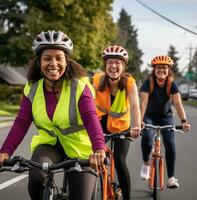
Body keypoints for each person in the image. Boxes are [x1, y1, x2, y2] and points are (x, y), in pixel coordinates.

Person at [0, 30, 106, 200]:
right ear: (39, 62)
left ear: (67, 61)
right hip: (49, 145)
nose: (53, 63)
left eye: (59, 58)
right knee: (36, 179)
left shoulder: (79, 87)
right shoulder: (32, 88)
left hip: (80, 147)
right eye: (47, 58)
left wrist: (99, 149)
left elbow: (91, 118)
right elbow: (21, 122)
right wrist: (5, 152)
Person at [92, 45, 141, 200]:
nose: (113, 66)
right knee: (94, 158)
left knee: (119, 161)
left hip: (122, 127)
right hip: (100, 125)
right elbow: (88, 104)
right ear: (105, 65)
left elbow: (135, 106)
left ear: (123, 66)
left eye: (118, 62)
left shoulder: (129, 83)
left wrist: (137, 125)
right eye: (110, 62)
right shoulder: (97, 80)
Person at [139, 55, 190, 188]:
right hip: (149, 116)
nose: (161, 70)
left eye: (164, 68)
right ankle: (146, 164)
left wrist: (184, 121)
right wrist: (140, 121)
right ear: (154, 69)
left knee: (170, 143)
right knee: (147, 137)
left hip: (165, 117)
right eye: (158, 68)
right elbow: (143, 103)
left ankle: (171, 178)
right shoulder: (148, 82)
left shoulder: (171, 83)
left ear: (169, 70)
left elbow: (178, 104)